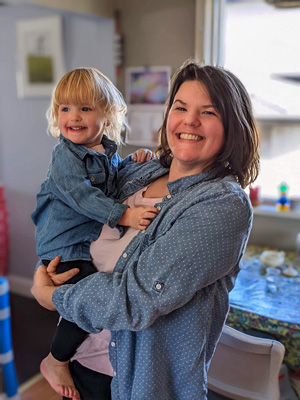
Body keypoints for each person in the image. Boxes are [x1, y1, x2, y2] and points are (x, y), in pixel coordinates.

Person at [31, 60, 260, 400]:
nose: (190, 121)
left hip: (133, 383)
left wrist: (51, 296)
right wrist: (42, 272)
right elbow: (76, 220)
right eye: (180, 107)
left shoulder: (222, 204)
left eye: (208, 112)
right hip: (80, 364)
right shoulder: (138, 172)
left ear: (232, 127)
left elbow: (134, 299)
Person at [31, 67, 158, 400]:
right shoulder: (65, 155)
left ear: (108, 114)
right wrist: (125, 215)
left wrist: (134, 161)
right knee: (89, 300)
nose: (74, 117)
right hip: (65, 243)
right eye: (65, 108)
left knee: (88, 297)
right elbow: (84, 196)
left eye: (85, 109)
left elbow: (115, 182)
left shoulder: (106, 150)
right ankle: (56, 360)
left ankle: (63, 356)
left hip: (82, 241)